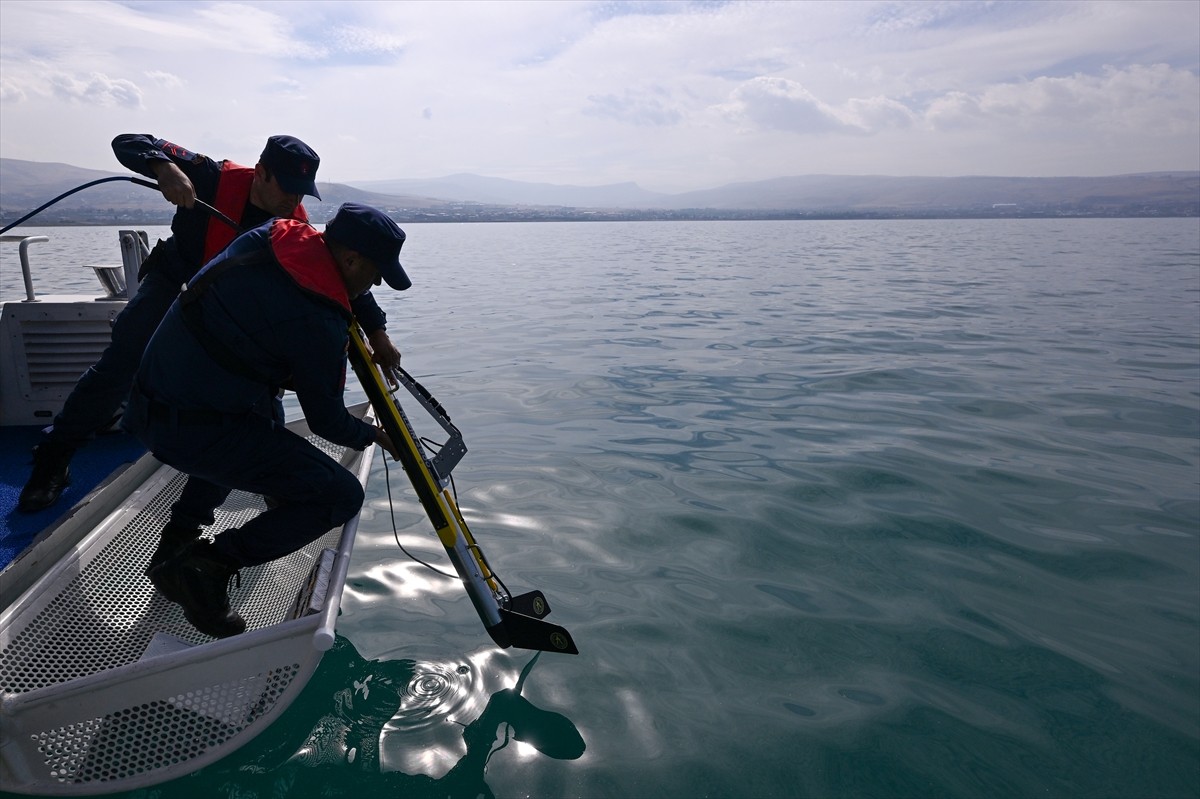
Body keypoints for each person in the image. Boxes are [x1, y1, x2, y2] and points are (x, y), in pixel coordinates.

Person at [17, 134, 402, 513]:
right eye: (287, 189)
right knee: (120, 365)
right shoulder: (211, 177)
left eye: (302, 193)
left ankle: (267, 492)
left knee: (263, 397)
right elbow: (128, 141)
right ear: (261, 173)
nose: (293, 202)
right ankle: (54, 458)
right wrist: (164, 168)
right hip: (174, 285)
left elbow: (332, 278)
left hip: (224, 316)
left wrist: (377, 332)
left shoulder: (293, 222)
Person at [124, 203, 409, 638]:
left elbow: (339, 285)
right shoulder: (318, 320)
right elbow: (328, 423)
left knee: (266, 420)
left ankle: (174, 549)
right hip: (189, 426)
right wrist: (374, 435)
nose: (374, 284)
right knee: (338, 495)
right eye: (375, 274)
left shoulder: (276, 236)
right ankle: (208, 565)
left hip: (156, 396)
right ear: (351, 259)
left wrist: (376, 330)